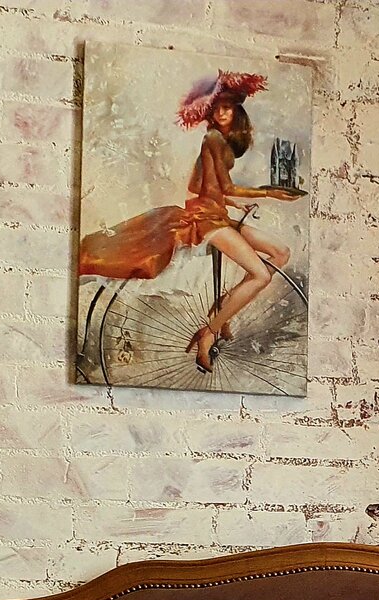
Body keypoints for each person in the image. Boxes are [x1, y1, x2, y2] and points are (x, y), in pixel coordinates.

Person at [78, 70, 302, 374]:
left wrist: (232, 202)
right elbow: (227, 186)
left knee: (281, 252)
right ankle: (208, 333)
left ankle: (224, 306)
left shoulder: (218, 141)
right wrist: (268, 192)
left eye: (227, 108)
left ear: (237, 110)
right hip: (207, 220)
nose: (221, 113)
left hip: (216, 213)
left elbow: (198, 185)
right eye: (217, 109)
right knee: (260, 275)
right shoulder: (213, 138)